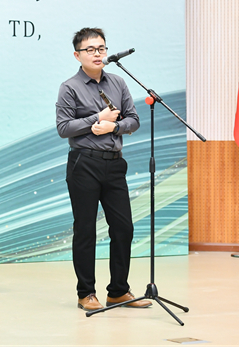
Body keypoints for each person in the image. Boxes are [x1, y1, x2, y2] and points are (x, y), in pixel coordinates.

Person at [55, 28, 152, 311]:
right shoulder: (69, 87)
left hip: (114, 163)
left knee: (123, 227)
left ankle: (118, 291)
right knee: (85, 229)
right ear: (77, 55)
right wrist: (96, 118)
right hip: (84, 163)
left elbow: (133, 119)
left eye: (101, 48)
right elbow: (64, 128)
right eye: (90, 50)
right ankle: (86, 293)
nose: (97, 54)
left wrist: (114, 127)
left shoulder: (118, 82)